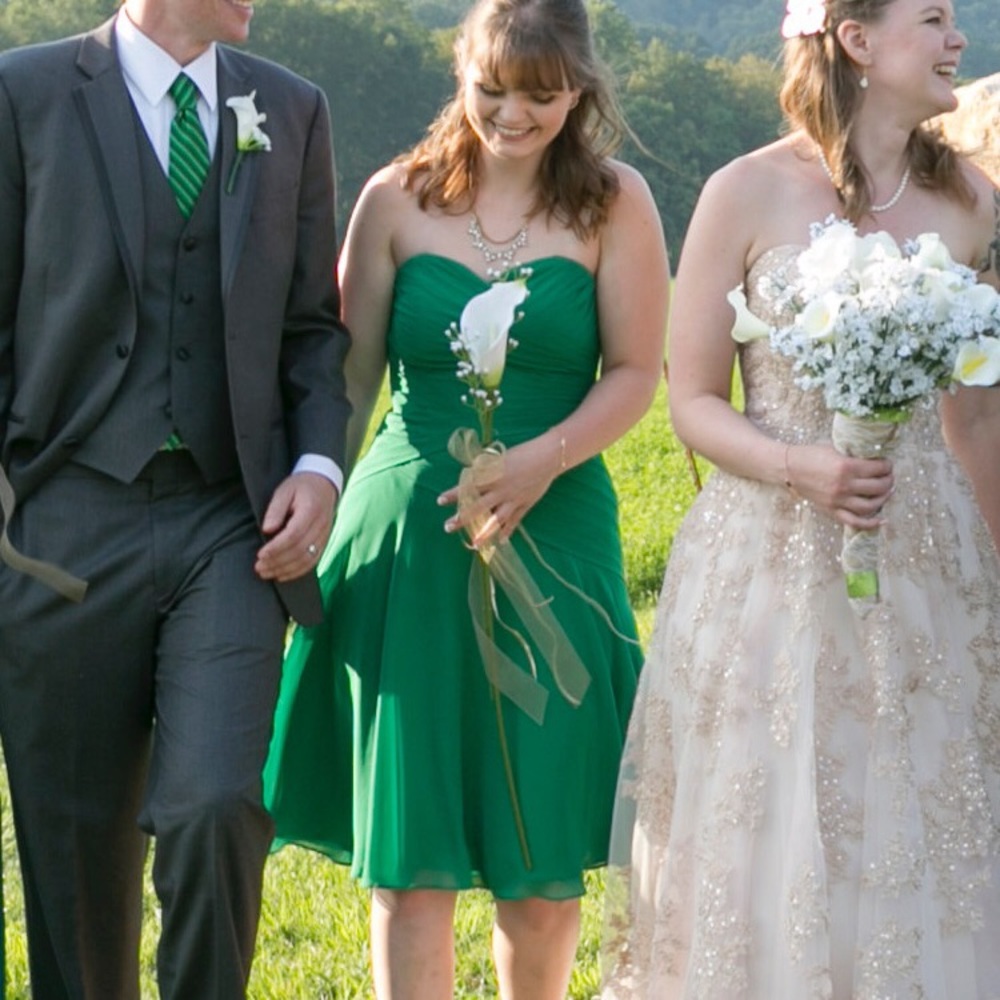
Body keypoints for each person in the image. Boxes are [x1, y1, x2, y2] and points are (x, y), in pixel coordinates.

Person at [261, 0, 669, 995]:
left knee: (540, 867)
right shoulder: (393, 200)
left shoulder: (616, 204)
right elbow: (346, 383)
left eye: (539, 93)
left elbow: (632, 371)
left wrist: (541, 459)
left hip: (559, 523)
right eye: (492, 88)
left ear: (578, 87)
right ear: (460, 70)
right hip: (406, 538)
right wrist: (315, 488)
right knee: (410, 859)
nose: (513, 113)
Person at [600, 0, 1000, 997]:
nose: (959, 41)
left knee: (923, 817)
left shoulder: (972, 205)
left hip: (925, 562)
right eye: (935, 19)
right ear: (856, 40)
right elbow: (689, 399)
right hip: (767, 569)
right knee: (770, 826)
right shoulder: (743, 192)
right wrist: (800, 468)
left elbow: (980, 418)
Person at [0, 0, 350, 995]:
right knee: (72, 855)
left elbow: (311, 331)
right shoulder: (21, 94)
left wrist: (318, 469)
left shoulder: (290, 108)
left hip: (228, 523)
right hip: (60, 524)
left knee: (215, 805)